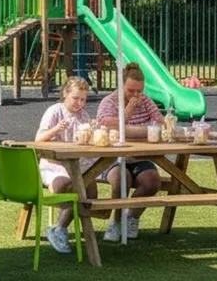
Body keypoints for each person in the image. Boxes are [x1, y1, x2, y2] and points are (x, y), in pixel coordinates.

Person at [96, 63, 164, 243]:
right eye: (131, 90)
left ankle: (131, 217)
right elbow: (106, 123)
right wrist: (129, 112)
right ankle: (116, 222)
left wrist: (128, 129)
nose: (136, 95)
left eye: (139, 91)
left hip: (139, 156)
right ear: (121, 85)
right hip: (112, 158)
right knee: (121, 178)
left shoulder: (146, 100)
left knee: (152, 181)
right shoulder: (109, 101)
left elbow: (160, 124)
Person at [33, 77, 92, 255]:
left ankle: (61, 227)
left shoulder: (83, 115)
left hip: (74, 164)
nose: (79, 103)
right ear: (65, 94)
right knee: (68, 186)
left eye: (83, 99)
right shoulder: (54, 111)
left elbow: (84, 139)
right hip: (52, 164)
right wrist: (57, 129)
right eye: (75, 98)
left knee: (88, 187)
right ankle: (59, 228)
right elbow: (38, 140)